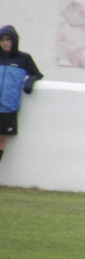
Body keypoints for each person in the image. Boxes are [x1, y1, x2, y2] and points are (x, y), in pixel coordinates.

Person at [0, 25, 43, 164]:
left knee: (1, 140)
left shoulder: (23, 58)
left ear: (14, 41)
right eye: (2, 40)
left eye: (8, 39)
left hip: (8, 107)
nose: (5, 43)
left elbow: (37, 74)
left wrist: (30, 81)